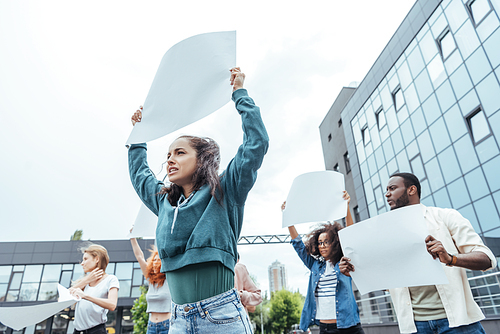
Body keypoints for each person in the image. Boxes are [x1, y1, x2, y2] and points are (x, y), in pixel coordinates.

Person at [128, 67, 268, 334]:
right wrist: (138, 137)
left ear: (201, 159)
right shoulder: (164, 202)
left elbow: (256, 144)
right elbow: (140, 175)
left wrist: (240, 94)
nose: (170, 159)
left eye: (179, 152)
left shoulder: (227, 189)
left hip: (222, 317)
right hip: (178, 320)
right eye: (168, 154)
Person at [339, 172, 497, 334]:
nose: (387, 194)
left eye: (392, 188)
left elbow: (487, 258)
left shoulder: (445, 216)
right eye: (386, 190)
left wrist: (450, 258)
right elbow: (387, 282)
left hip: (459, 324)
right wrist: (356, 272)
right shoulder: (387, 231)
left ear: (411, 190)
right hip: (415, 327)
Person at [283, 191, 365, 334]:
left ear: (335, 243)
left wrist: (346, 206)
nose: (322, 246)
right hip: (325, 327)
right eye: (320, 243)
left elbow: (350, 235)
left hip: (348, 326)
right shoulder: (315, 266)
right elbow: (298, 246)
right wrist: (288, 218)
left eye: (326, 242)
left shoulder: (344, 263)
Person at [69, 244, 119, 334]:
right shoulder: (84, 281)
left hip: (96, 331)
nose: (82, 263)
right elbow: (65, 297)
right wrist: (86, 280)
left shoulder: (111, 279)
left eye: (85, 259)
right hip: (77, 331)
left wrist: (85, 296)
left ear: (96, 259)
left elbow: (112, 305)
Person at [130, 235, 171, 334]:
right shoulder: (150, 280)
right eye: (154, 260)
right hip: (151, 325)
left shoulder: (169, 279)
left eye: (158, 260)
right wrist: (132, 237)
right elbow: (139, 256)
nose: (155, 262)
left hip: (167, 325)